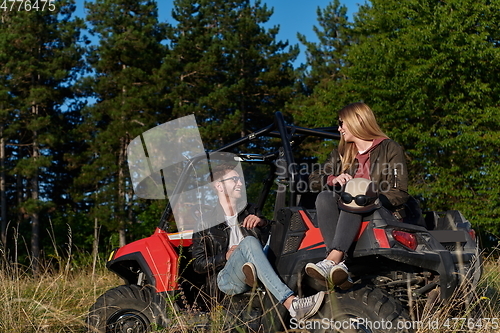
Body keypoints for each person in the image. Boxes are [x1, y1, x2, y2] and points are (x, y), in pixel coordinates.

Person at [192, 163, 325, 321]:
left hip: (256, 263)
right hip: (227, 278)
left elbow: (272, 242)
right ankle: (291, 303)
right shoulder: (204, 222)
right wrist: (225, 256)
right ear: (219, 186)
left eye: (240, 179)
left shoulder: (252, 211)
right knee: (248, 242)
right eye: (234, 179)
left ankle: (320, 275)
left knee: (274, 236)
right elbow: (198, 264)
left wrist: (263, 223)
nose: (240, 183)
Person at [306, 102, 409, 286]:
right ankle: (338, 263)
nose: (339, 128)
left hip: (380, 210)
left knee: (356, 191)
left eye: (341, 123)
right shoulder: (341, 153)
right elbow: (314, 179)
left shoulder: (389, 148)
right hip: (346, 210)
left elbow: (399, 192)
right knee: (324, 197)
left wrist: (371, 199)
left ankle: (333, 260)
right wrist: (333, 179)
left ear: (357, 121)